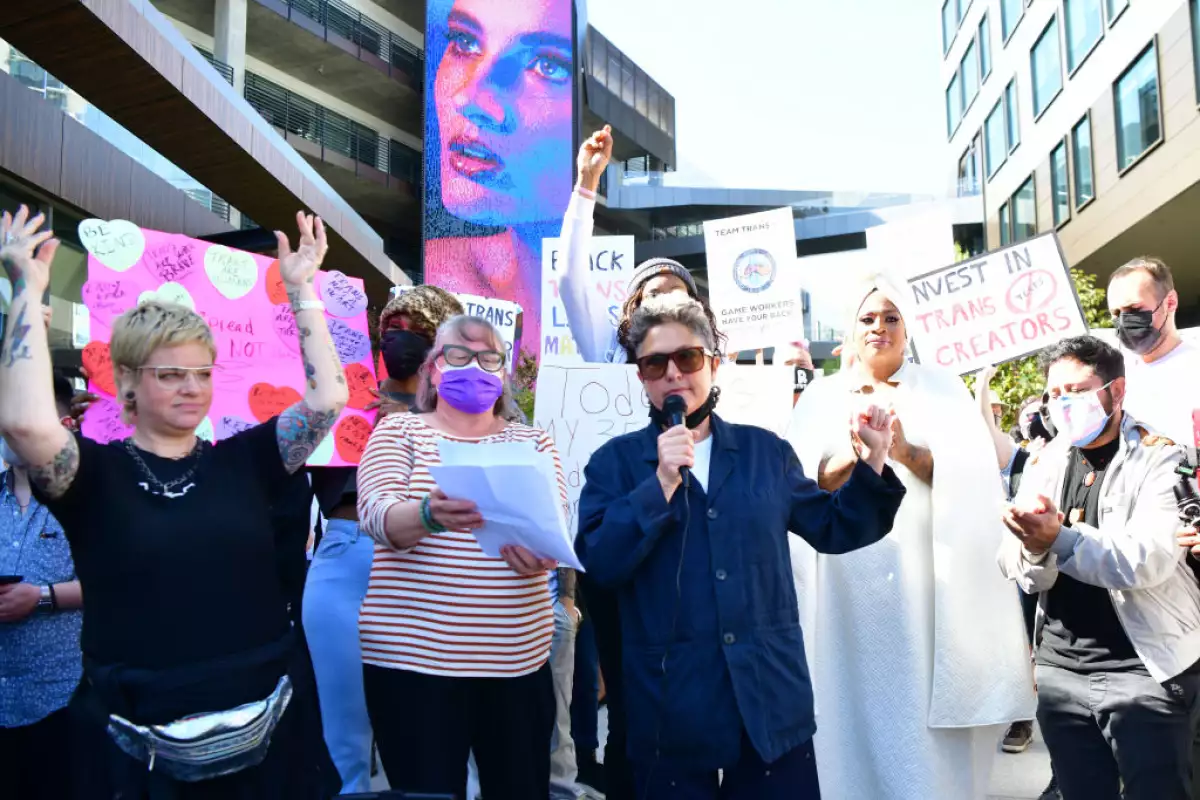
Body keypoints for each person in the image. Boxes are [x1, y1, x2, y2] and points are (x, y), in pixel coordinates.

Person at [0, 206, 349, 798]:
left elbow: (327, 400)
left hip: (265, 732)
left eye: (202, 372)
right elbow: (25, 423)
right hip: (140, 748)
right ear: (129, 382)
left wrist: (301, 290)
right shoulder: (93, 477)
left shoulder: (245, 461)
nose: (192, 387)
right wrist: (28, 294)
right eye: (170, 374)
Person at [577, 295, 907, 799]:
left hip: (769, 706)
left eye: (687, 358)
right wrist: (659, 483)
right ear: (640, 377)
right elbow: (599, 562)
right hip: (671, 714)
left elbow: (835, 528)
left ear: (712, 364)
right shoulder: (614, 464)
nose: (673, 374)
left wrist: (874, 462)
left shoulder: (764, 452)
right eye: (654, 363)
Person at [788, 273, 1035, 800]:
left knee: (922, 706)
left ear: (908, 327)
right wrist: (856, 455)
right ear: (852, 331)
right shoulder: (821, 396)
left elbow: (971, 481)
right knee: (849, 701)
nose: (880, 328)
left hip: (929, 580)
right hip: (846, 585)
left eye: (891, 317)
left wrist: (902, 451)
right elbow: (802, 485)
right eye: (868, 319)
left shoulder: (944, 389)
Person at [356, 314, 567, 800]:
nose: (474, 365)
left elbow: (557, 530)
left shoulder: (533, 442)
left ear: (502, 374)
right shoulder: (397, 433)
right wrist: (429, 514)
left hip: (516, 665)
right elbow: (376, 515)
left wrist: (544, 557)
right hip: (413, 666)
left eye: (488, 357)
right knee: (425, 792)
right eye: (459, 354)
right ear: (433, 369)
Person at [997, 335, 1200, 800]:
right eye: (1055, 394)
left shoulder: (1161, 459)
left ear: (1117, 391)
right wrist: (1032, 548)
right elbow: (1013, 563)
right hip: (1060, 671)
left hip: (1145, 672)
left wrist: (1058, 538)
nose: (1065, 403)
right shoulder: (1046, 460)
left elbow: (1145, 560)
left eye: (1078, 390)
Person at [303, 285, 463, 795]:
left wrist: (415, 431)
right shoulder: (341, 395)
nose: (402, 341)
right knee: (342, 734)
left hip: (429, 562)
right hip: (345, 552)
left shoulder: (465, 409)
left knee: (431, 730)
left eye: (419, 332)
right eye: (393, 329)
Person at [424, 0, 573, 359]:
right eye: (464, 42)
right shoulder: (435, 278)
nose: (469, 98)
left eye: (546, 66)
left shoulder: (620, 318)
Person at [0, 367, 86, 800]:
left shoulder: (87, 498)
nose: (16, 430)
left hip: (66, 698)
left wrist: (42, 598)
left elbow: (119, 579)